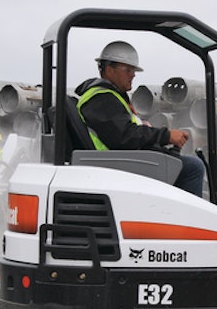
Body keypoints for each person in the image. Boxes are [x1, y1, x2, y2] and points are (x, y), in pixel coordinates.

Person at [75, 41, 205, 196]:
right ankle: (186, 219)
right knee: (193, 167)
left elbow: (124, 131)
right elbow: (124, 136)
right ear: (110, 70)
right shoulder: (102, 99)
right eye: (128, 69)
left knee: (178, 162)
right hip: (117, 167)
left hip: (122, 162)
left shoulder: (111, 97)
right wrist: (166, 136)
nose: (133, 74)